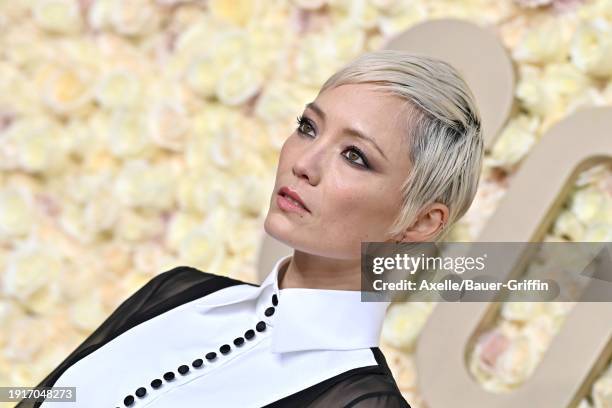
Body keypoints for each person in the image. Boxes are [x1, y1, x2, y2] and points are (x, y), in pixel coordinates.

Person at [17, 49, 483, 408]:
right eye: (308, 127)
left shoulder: (361, 402)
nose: (305, 163)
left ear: (422, 221)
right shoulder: (176, 292)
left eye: (354, 156)